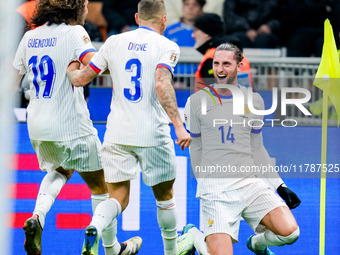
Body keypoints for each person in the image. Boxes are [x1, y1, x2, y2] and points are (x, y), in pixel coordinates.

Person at [13, 1, 141, 254]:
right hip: (71, 124)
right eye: (83, 4)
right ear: (73, 8)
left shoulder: (30, 36)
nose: (86, 8)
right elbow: (93, 62)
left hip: (37, 124)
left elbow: (11, 81)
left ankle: (37, 216)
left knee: (61, 169)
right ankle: (108, 246)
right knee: (102, 187)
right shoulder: (74, 33)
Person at [66, 0, 192, 254]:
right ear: (164, 20)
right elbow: (161, 84)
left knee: (117, 198)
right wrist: (179, 126)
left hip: (117, 133)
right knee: (165, 196)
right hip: (152, 133)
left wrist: (71, 70)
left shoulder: (113, 42)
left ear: (136, 17)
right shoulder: (167, 46)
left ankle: (95, 226)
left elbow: (81, 79)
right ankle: (170, 252)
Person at [182, 43, 300, 255]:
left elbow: (257, 148)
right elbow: (195, 148)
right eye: (216, 64)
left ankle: (257, 244)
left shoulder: (254, 100)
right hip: (216, 189)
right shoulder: (196, 102)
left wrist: (280, 185)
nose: (220, 69)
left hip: (250, 182)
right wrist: (205, 183)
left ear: (239, 65)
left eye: (226, 64)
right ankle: (194, 236)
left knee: (290, 233)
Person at [192, 13, 252, 91]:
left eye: (196, 30)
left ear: (206, 33)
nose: (193, 35)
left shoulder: (213, 57)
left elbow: (216, 93)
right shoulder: (239, 55)